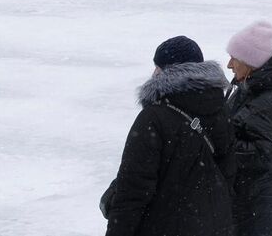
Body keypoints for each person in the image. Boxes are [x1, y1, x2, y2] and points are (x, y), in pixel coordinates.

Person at [100, 36, 235, 236]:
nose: (154, 72)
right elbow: (228, 172)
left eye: (158, 66)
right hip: (214, 224)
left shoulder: (153, 118)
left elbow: (134, 189)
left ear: (168, 70)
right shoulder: (219, 109)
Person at [225, 21, 272, 236]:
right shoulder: (248, 91)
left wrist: (221, 145)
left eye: (235, 58)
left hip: (258, 205)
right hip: (248, 200)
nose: (229, 64)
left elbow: (265, 155)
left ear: (250, 62)